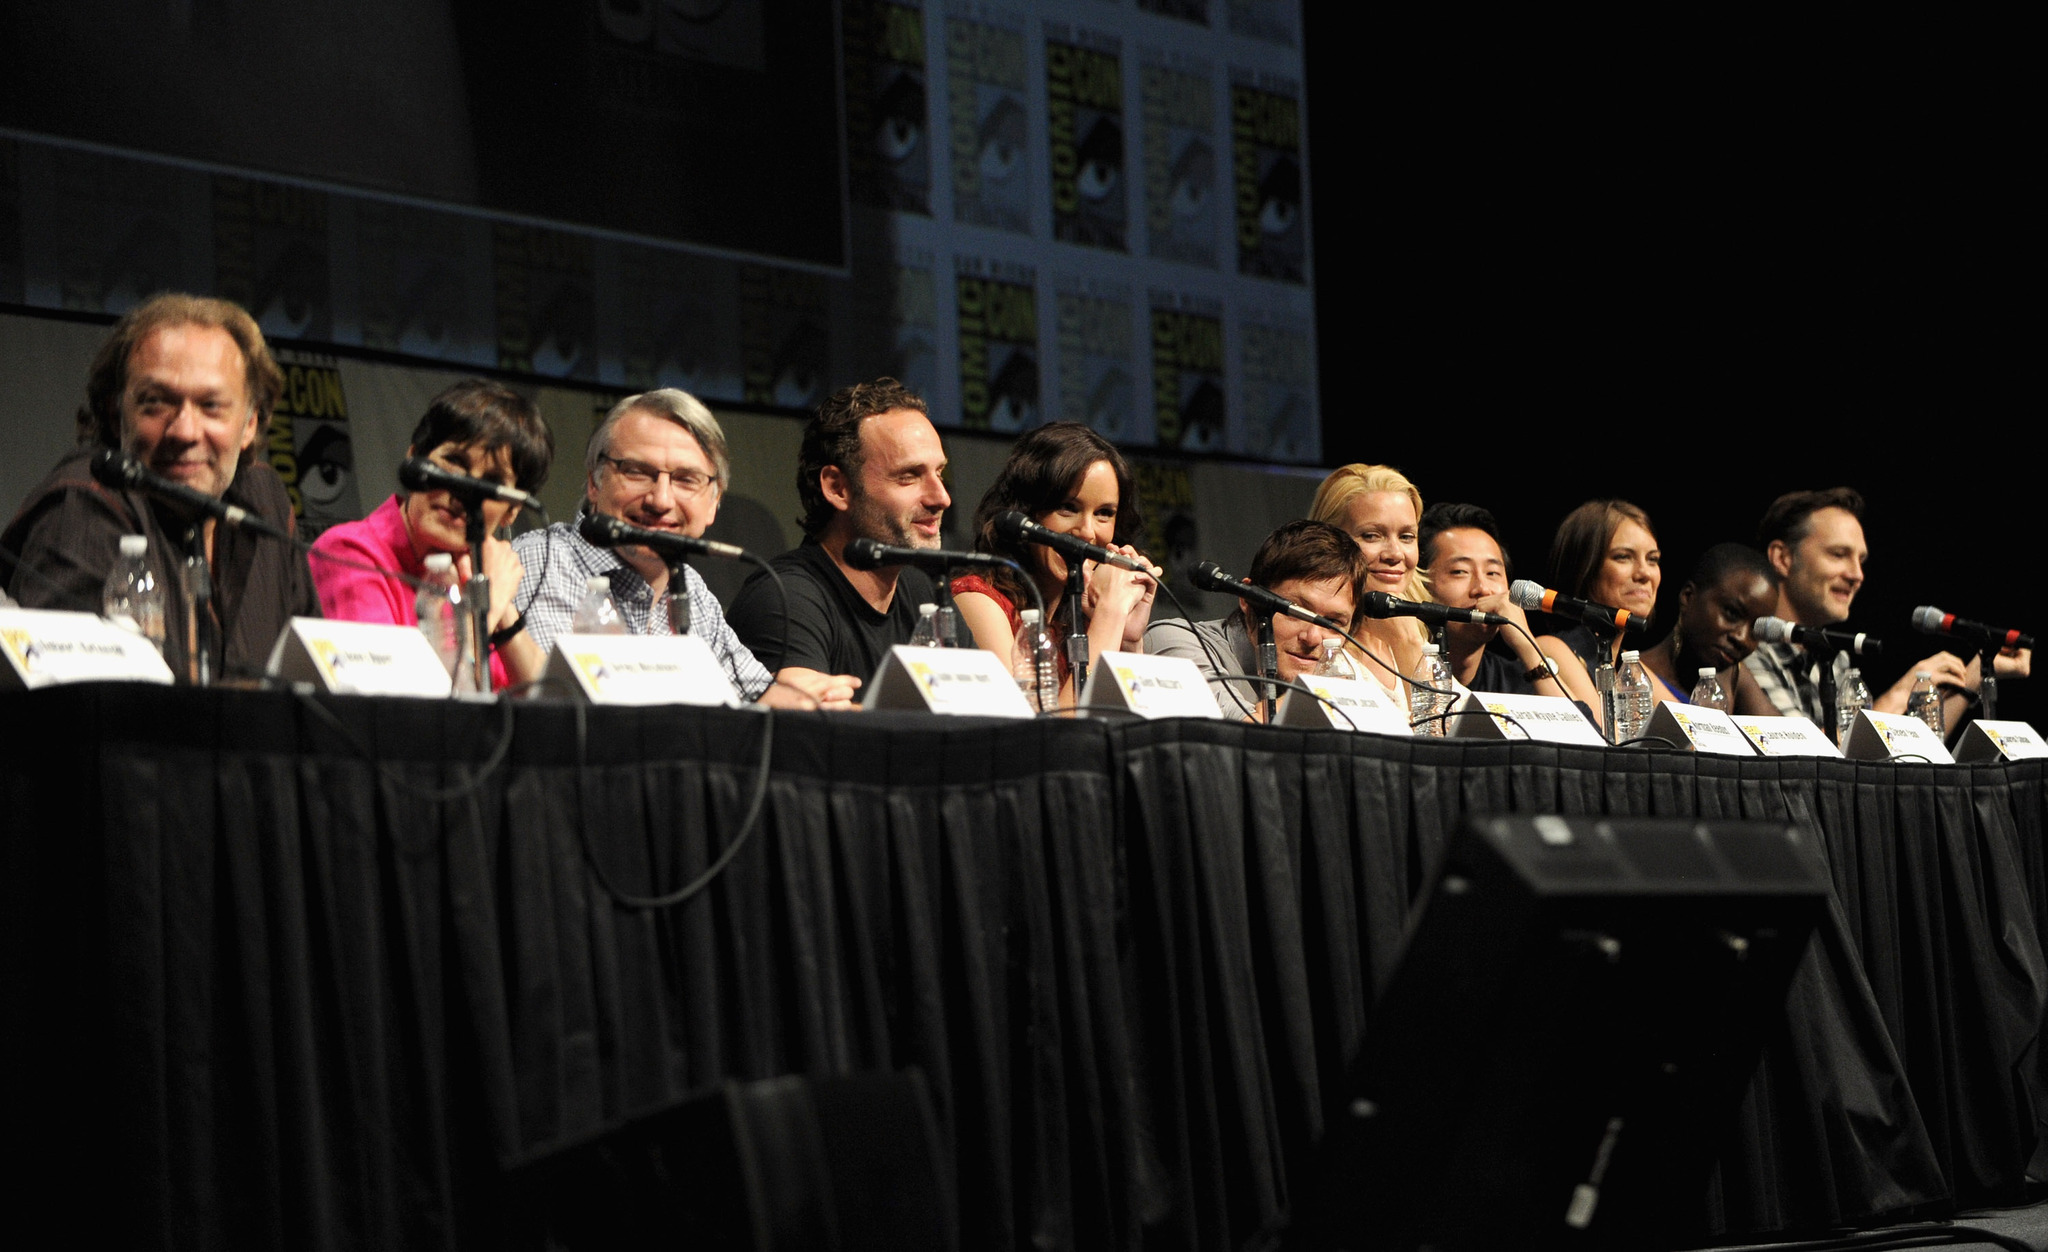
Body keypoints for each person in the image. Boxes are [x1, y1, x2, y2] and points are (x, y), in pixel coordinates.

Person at [2, 293, 320, 682]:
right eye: (156, 403)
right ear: (115, 413)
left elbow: (312, 677)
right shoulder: (84, 503)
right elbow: (80, 708)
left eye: (212, 405)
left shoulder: (264, 502)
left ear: (250, 422)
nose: (184, 431)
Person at [511, 388, 859, 710]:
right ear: (594, 482)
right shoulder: (540, 564)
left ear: (713, 503)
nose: (661, 500)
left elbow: (759, 697)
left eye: (685, 480)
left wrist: (810, 699)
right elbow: (561, 707)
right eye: (637, 472)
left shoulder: (691, 590)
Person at [308, 379, 554, 689]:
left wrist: (503, 609)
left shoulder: (475, 571)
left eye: (491, 483)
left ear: (511, 511)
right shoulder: (347, 552)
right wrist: (487, 608)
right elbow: (390, 700)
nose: (462, 494)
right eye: (453, 462)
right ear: (415, 462)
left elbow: (551, 706)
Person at [1734, 487, 2026, 728]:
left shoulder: (1836, 661)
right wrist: (1900, 694)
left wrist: (1973, 676)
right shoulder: (1744, 649)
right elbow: (1802, 755)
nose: (1856, 575)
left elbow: (1881, 758)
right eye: (1838, 555)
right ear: (1782, 558)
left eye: (1861, 561)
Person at [725, 378, 954, 680]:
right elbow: (809, 723)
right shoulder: (784, 598)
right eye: (909, 476)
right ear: (838, 488)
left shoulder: (924, 589)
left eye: (939, 472)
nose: (941, 498)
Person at [953, 422, 1157, 707]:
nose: (1087, 532)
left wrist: (1129, 641)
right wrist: (1110, 613)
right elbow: (1044, 740)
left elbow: (1134, 727)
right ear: (1026, 512)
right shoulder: (978, 601)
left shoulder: (1082, 618)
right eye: (1068, 508)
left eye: (1104, 513)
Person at [1143, 519, 1365, 721]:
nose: (1313, 637)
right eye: (1296, 612)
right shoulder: (1175, 642)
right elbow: (1248, 735)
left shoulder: (1351, 678)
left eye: (1332, 623)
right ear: (1248, 599)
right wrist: (1323, 694)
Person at [1416, 502, 1573, 700]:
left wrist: (1528, 648)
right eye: (1460, 572)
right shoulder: (1403, 673)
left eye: (1493, 573)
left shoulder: (1516, 680)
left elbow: (1585, 730)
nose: (1483, 588)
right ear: (1420, 584)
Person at [1528, 499, 1661, 724]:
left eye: (1653, 559)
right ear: (1584, 568)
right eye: (1623, 557)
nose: (1645, 574)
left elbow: (1692, 733)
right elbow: (1606, 742)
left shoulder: (1624, 662)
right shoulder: (1553, 649)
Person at [1306, 463, 1430, 696]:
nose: (1395, 554)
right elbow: (1437, 726)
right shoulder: (1315, 645)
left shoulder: (1414, 631)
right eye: (1371, 536)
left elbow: (1456, 725)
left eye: (1406, 536)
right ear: (1328, 540)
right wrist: (1408, 645)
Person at [1636, 543, 1777, 707]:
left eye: (1755, 630)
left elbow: (1785, 731)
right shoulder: (1632, 676)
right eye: (1732, 613)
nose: (1742, 639)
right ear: (1688, 597)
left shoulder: (1732, 674)